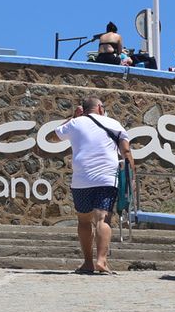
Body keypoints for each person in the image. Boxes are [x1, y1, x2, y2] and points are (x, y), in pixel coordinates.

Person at [57, 97, 133, 275]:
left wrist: (73, 117)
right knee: (102, 219)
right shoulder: (113, 123)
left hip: (81, 180)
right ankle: (102, 260)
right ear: (99, 108)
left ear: (83, 109)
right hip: (106, 178)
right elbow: (126, 151)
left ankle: (87, 263)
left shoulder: (75, 123)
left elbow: (53, 136)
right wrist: (130, 179)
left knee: (84, 221)